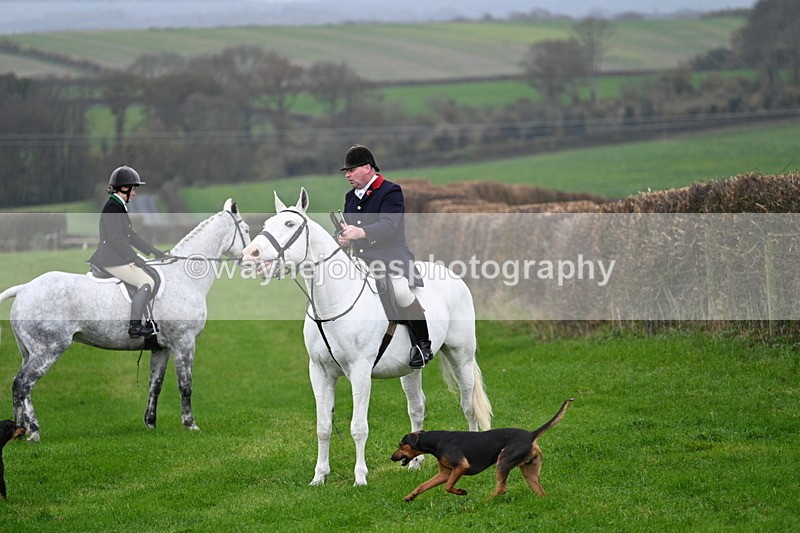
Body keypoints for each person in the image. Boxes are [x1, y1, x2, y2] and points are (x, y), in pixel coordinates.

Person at [336, 144, 434, 368]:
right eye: (347, 172)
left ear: (368, 168)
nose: (348, 175)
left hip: (392, 256)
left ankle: (422, 343)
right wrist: (341, 237)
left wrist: (360, 232)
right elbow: (346, 227)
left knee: (400, 292)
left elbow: (390, 225)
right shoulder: (350, 197)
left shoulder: (390, 191)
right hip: (361, 259)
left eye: (352, 170)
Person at [88, 165, 167, 338]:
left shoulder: (119, 206)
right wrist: (134, 258)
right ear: (124, 188)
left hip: (117, 256)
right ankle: (135, 327)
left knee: (149, 274)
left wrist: (153, 251)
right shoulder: (112, 207)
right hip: (110, 259)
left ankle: (147, 319)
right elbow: (117, 239)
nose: (135, 193)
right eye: (134, 189)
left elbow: (130, 235)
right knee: (146, 282)